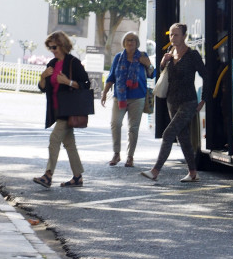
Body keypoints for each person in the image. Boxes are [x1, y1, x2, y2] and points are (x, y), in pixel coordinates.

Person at [141, 23, 206, 183]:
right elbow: (162, 76)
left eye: (176, 35)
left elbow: (206, 75)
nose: (172, 38)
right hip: (172, 101)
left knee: (168, 134)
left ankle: (155, 170)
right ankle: (193, 173)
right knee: (183, 137)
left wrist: (204, 99)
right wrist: (163, 63)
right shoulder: (169, 54)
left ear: (184, 36)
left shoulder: (192, 55)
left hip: (189, 101)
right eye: (171, 34)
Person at [33, 31, 91, 188]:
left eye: (54, 47)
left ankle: (48, 175)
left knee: (54, 140)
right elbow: (43, 88)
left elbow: (86, 85)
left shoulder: (73, 63)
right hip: (57, 110)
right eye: (50, 48)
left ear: (63, 45)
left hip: (69, 109)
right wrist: (43, 76)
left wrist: (68, 82)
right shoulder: (51, 64)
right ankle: (77, 177)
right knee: (69, 144)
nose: (52, 50)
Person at [101, 32, 155, 167]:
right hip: (120, 97)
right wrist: (104, 92)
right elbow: (111, 76)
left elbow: (152, 74)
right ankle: (116, 153)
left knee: (133, 128)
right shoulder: (119, 57)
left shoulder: (142, 56)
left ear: (137, 43)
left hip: (138, 97)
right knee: (115, 123)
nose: (130, 42)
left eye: (133, 40)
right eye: (128, 40)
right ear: (124, 43)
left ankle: (130, 156)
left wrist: (148, 64)